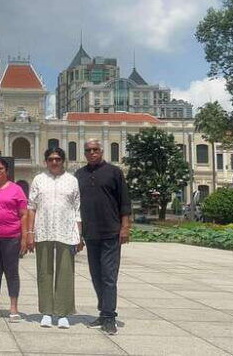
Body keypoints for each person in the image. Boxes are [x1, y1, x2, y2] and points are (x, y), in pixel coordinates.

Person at [75, 139, 131, 335]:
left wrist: (125, 227)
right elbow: (75, 206)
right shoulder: (80, 175)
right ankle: (103, 311)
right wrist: (78, 234)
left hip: (110, 232)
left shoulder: (114, 172)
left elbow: (124, 201)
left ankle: (109, 316)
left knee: (108, 275)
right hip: (90, 233)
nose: (92, 152)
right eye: (88, 150)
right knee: (96, 275)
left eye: (95, 149)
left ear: (101, 151)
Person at [26, 148, 82, 329]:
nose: (54, 162)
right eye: (50, 159)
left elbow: (77, 209)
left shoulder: (72, 180)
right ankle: (47, 312)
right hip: (44, 229)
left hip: (66, 230)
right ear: (46, 161)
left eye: (58, 159)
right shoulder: (39, 179)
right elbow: (31, 207)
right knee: (44, 271)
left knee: (66, 271)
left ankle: (63, 312)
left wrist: (79, 235)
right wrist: (29, 233)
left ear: (63, 161)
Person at [0, 158, 28, 322]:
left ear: (7, 171)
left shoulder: (16, 189)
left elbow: (24, 215)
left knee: (12, 272)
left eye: (0, 168)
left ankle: (13, 307)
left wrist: (24, 237)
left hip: (11, 237)